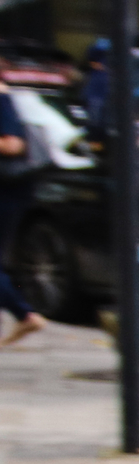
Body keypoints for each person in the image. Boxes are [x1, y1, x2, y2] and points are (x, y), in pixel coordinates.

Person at [0, 77, 42, 346]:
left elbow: (12, 144)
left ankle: (24, 313)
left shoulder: (2, 99)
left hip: (6, 190)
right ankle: (22, 314)